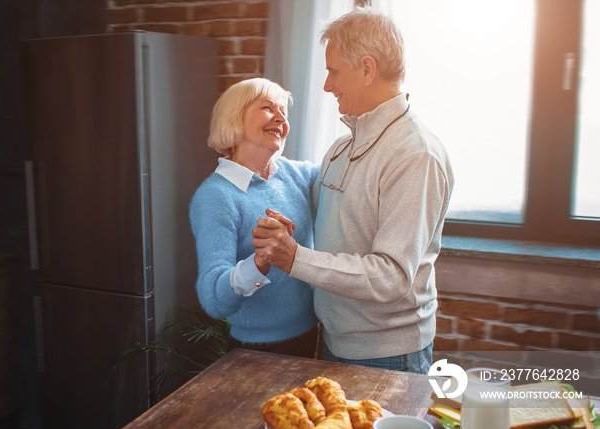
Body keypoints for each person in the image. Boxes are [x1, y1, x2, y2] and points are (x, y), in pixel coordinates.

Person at [252, 6, 454, 374]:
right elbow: (333, 223)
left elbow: (391, 276)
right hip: (332, 340)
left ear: (367, 68)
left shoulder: (415, 155)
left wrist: (294, 258)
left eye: (333, 71)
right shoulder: (341, 149)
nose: (327, 85)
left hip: (387, 356)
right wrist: (288, 223)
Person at [189, 77, 319, 358]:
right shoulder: (216, 196)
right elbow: (213, 299)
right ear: (235, 118)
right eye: (267, 107)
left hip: (315, 338)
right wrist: (261, 260)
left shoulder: (296, 174)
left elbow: (346, 176)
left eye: (283, 111)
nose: (280, 117)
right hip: (258, 352)